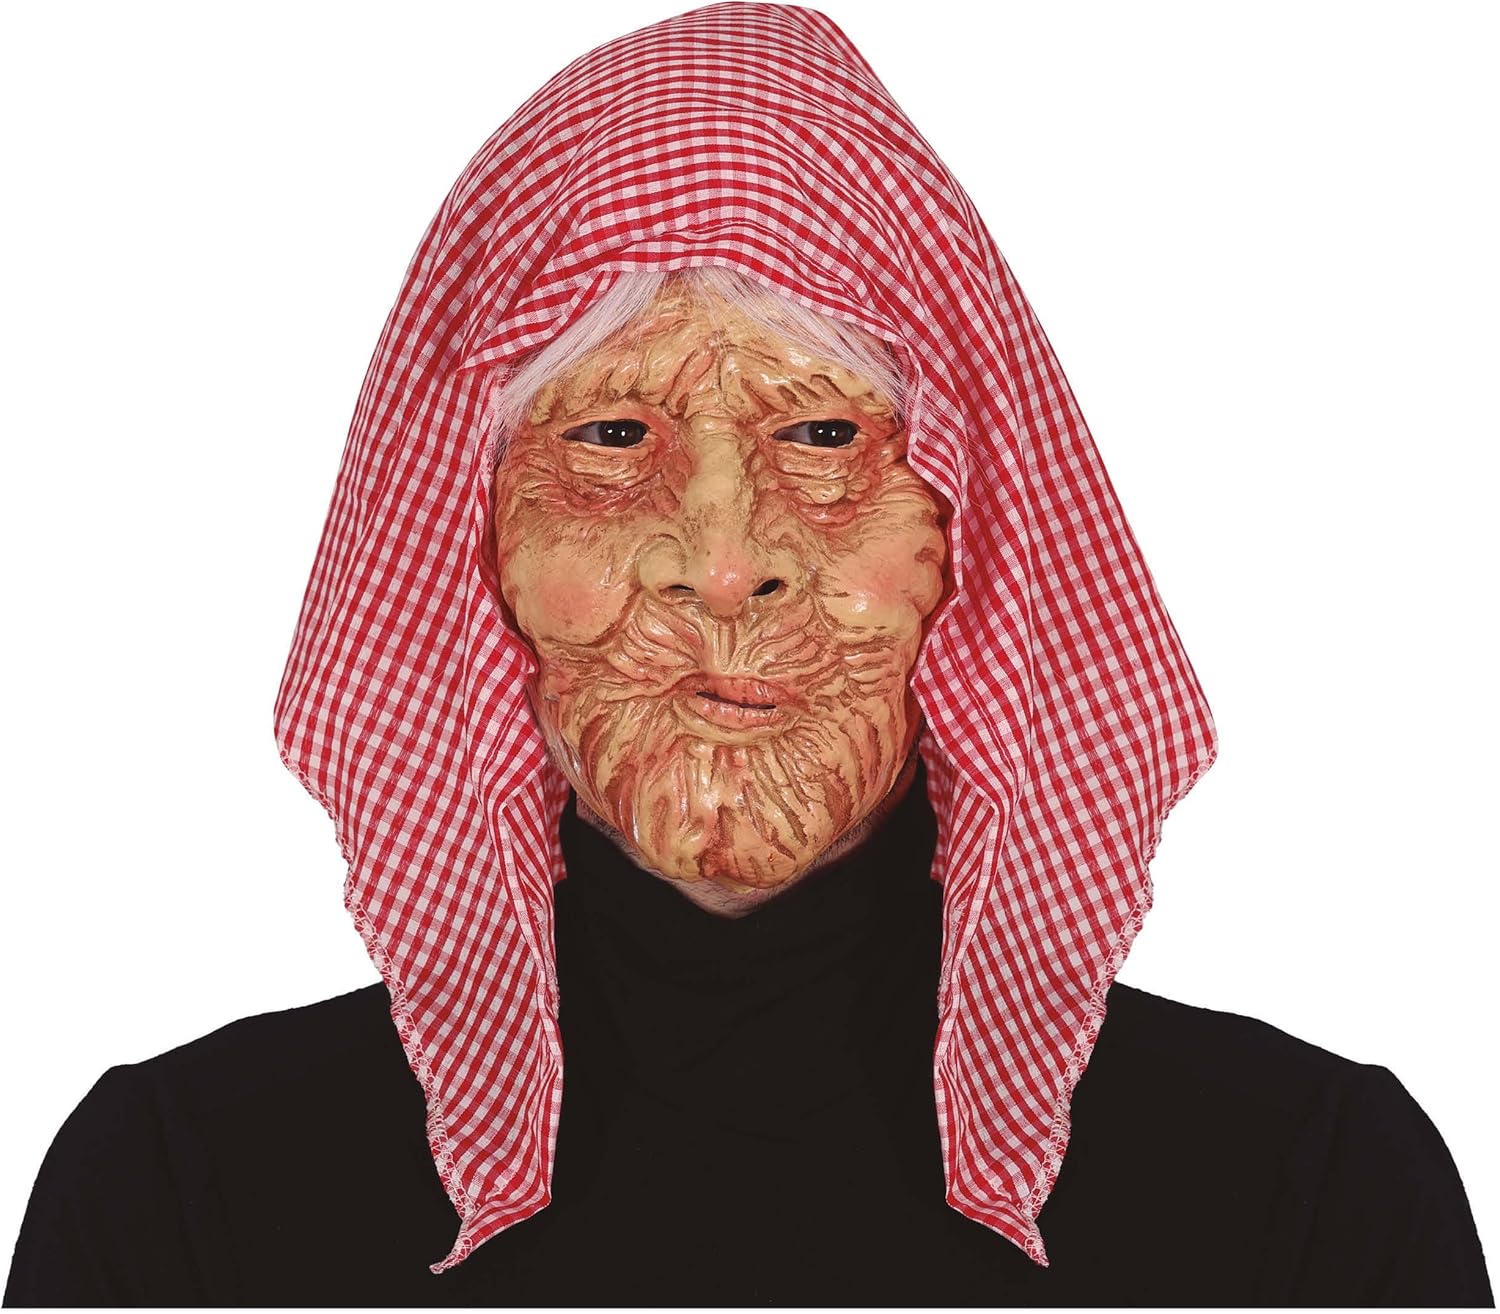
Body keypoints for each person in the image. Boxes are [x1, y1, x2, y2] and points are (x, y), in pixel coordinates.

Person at [5, 3, 1491, 1306]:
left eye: (825, 436)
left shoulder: (1310, 1209)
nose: (723, 561)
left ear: (969, 532)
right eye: (610, 437)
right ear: (475, 541)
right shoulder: (180, 1212)